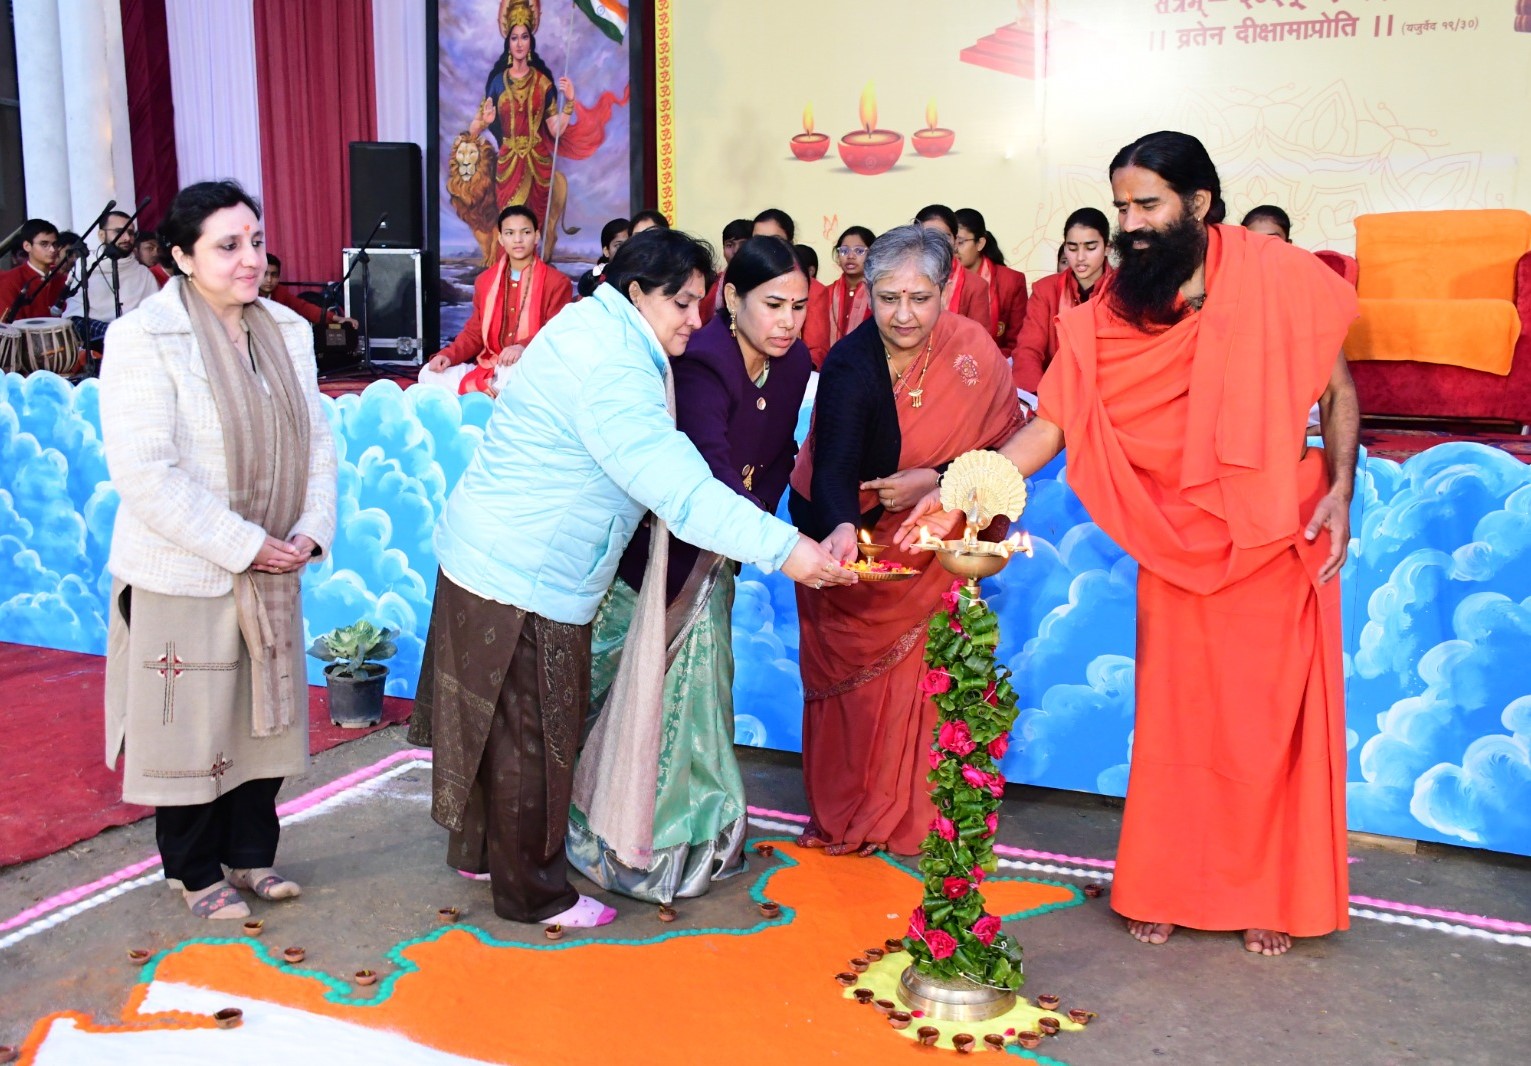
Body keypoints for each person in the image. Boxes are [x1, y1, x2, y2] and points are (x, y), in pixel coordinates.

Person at [900, 131, 1360, 957]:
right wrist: (962, 486)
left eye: (1146, 205)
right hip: (1173, 539)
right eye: (1121, 207)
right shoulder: (1113, 311)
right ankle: (1167, 885)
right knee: (1179, 723)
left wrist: (1341, 490)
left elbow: (1336, 388)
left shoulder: (1278, 276)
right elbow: (1052, 426)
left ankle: (1268, 893)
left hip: (1273, 532)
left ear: (1198, 203)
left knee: (1262, 725)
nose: (1130, 224)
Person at [406, 227, 854, 930]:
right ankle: (535, 896)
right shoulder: (616, 366)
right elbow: (679, 486)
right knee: (533, 740)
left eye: (700, 301)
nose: (694, 319)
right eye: (680, 302)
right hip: (526, 572)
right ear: (636, 291)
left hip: (488, 555)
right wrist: (784, 549)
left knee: (496, 725)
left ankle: (483, 852)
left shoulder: (596, 325)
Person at [98, 180, 337, 920]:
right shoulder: (143, 336)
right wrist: (246, 545)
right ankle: (194, 872)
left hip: (273, 566)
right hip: (185, 569)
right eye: (228, 246)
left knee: (261, 719)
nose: (250, 259)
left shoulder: (286, 330)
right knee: (191, 726)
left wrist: (311, 528)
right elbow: (146, 472)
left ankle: (251, 856)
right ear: (181, 256)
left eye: (255, 242)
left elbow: (317, 441)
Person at [567, 236, 815, 904]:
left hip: (722, 550)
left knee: (701, 698)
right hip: (661, 560)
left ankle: (692, 835)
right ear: (732, 299)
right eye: (772, 304)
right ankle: (612, 831)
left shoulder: (794, 364)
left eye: (798, 306)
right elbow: (706, 472)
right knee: (630, 691)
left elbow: (780, 453)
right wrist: (768, 537)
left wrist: (757, 517)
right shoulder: (701, 363)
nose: (787, 322)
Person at [788, 224, 1021, 857]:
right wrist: (842, 527)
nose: (904, 315)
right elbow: (834, 463)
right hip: (853, 545)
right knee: (854, 692)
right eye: (888, 298)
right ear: (868, 292)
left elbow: (1005, 448)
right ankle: (853, 811)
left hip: (932, 542)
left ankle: (919, 813)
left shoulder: (972, 352)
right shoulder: (849, 362)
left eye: (920, 298)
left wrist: (939, 479)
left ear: (946, 288)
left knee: (925, 677)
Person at [466, 0, 619, 256]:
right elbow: (473, 130)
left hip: (538, 165)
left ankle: (537, 276)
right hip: (508, 165)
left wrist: (569, 102)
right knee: (511, 225)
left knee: (534, 228)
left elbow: (555, 129)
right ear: (508, 42)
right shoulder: (497, 83)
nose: (519, 43)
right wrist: (484, 121)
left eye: (524, 37)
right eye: (514, 37)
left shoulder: (542, 83)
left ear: (530, 41)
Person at [419, 204, 572, 395]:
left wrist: (522, 347)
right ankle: (493, 393)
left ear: (536, 236)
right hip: (490, 367)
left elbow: (556, 333)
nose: (517, 239)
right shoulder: (485, 281)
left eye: (525, 232)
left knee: (513, 374)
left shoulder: (557, 282)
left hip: (529, 367)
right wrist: (448, 355)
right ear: (500, 238)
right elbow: (474, 333)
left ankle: (487, 394)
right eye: (509, 233)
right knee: (428, 373)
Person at [1010, 207, 1114, 394]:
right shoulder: (1046, 290)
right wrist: (1040, 399)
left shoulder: (1123, 290)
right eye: (1072, 248)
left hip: (1108, 394)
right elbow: (1028, 350)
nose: (1080, 257)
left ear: (1107, 247)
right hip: (1054, 393)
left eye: (1090, 247)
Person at [64, 211, 162, 349]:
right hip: (94, 335)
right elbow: (75, 315)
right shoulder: (85, 266)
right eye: (119, 232)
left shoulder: (143, 274)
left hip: (134, 338)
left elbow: (155, 315)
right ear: (101, 235)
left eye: (131, 233)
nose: (127, 238)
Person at [753, 208, 831, 366]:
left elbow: (816, 351)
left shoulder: (813, 289)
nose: (765, 248)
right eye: (758, 240)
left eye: (775, 240)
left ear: (790, 243)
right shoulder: (743, 281)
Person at [954, 208, 1027, 355]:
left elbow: (1018, 341)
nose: (954, 249)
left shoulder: (1010, 281)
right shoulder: (941, 279)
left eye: (960, 242)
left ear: (980, 243)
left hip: (996, 360)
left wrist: (988, 361)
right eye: (950, 241)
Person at [914, 204, 993, 333]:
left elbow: (979, 338)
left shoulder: (975, 285)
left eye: (945, 237)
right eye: (929, 235)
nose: (937, 243)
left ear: (955, 241)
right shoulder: (900, 277)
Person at [0, 219, 69, 322]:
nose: (52, 250)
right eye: (44, 244)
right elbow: (9, 325)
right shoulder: (10, 280)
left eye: (54, 244)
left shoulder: (63, 279)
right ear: (27, 246)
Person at [827, 225, 875, 345]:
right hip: (829, 356)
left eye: (859, 251)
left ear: (872, 255)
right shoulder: (826, 293)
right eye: (844, 251)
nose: (850, 256)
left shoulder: (877, 294)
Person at [576, 217, 630, 298]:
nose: (625, 249)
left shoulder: (643, 276)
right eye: (618, 245)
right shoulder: (593, 281)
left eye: (629, 243)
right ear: (606, 251)